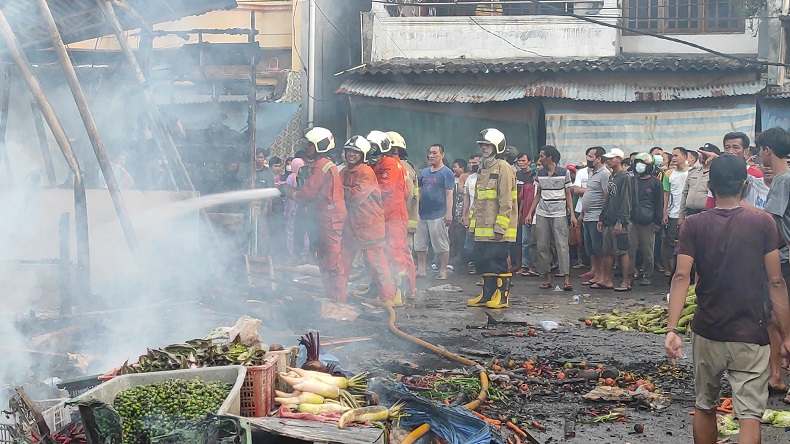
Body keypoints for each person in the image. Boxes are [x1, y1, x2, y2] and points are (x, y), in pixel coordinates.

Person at [665, 154, 790, 444]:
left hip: (707, 330)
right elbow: (775, 280)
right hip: (750, 332)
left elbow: (681, 277)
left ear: (710, 185)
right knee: (749, 415)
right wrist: (786, 335)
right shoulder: (762, 223)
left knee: (705, 405)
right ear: (745, 185)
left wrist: (672, 329)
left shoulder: (693, 225)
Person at [278, 127, 347, 303]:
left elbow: (307, 193)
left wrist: (289, 191)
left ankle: (338, 301)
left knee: (332, 260)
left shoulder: (322, 165)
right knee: (323, 257)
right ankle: (331, 297)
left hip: (330, 217)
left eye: (310, 144)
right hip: (326, 216)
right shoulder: (324, 164)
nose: (307, 147)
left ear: (319, 146)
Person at [339, 136, 398, 306]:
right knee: (343, 261)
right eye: (349, 151)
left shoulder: (365, 171)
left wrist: (338, 189)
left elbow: (355, 196)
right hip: (352, 225)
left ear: (363, 155)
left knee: (376, 263)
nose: (351, 155)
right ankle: (338, 296)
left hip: (369, 225)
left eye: (355, 152)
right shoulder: (344, 171)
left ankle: (387, 298)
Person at [466, 129, 518, 309]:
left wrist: (501, 227)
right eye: (482, 145)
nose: (484, 148)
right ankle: (486, 294)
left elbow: (506, 200)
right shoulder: (483, 167)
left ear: (497, 147)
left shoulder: (503, 167)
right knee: (482, 261)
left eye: (487, 145)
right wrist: (473, 225)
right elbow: (479, 200)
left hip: (497, 228)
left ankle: (502, 297)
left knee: (498, 261)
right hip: (482, 227)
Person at [756, 127, 790, 402]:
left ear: (767, 150)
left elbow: (771, 222)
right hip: (782, 258)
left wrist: (741, 209)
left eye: (760, 150)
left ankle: (777, 374)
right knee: (773, 318)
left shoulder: (782, 180)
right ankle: (775, 376)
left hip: (784, 259)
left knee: (780, 318)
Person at [366, 130, 416, 301]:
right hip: (382, 214)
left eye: (373, 147)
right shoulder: (377, 165)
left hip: (394, 215)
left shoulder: (392, 165)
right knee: (380, 253)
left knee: (396, 252)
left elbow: (386, 189)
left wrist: (364, 190)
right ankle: (382, 290)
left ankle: (400, 292)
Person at [526, 145, 576, 291]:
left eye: (542, 156)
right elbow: (538, 194)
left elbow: (568, 194)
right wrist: (531, 212)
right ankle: (547, 277)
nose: (540, 158)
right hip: (542, 212)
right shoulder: (540, 173)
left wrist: (571, 214)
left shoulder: (564, 172)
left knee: (562, 245)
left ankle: (566, 277)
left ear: (550, 158)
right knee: (542, 245)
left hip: (559, 213)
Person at [415, 144, 455, 280]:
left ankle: (443, 270)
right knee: (420, 243)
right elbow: (419, 191)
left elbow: (449, 194)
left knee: (441, 244)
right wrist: (415, 209)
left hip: (438, 213)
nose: (431, 156)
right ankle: (421, 269)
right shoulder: (424, 172)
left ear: (442, 155)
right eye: (430, 153)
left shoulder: (447, 173)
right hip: (422, 213)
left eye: (434, 153)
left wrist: (449, 213)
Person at [597, 148, 632, 292]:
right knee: (607, 251)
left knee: (622, 251)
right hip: (608, 219)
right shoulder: (612, 177)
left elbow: (626, 200)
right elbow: (609, 198)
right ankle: (607, 280)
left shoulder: (625, 177)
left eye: (611, 158)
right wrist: (602, 217)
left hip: (619, 220)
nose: (608, 161)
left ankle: (626, 281)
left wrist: (620, 220)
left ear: (619, 159)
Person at [627, 153, 663, 286]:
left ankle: (648, 274)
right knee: (630, 250)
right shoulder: (632, 181)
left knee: (648, 251)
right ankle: (631, 273)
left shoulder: (655, 182)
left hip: (648, 222)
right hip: (632, 220)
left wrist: (657, 222)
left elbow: (659, 203)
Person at [578, 147, 610, 288]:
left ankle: (603, 276)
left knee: (599, 249)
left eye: (591, 156)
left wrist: (602, 217)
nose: (588, 159)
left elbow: (606, 196)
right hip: (588, 216)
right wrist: (582, 213)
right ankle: (596, 275)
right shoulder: (591, 173)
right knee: (591, 249)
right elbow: (588, 193)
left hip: (597, 216)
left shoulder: (605, 174)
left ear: (598, 158)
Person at [387, 131, 419, 255]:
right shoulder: (403, 166)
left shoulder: (401, 167)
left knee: (399, 255)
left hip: (399, 220)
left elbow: (407, 195)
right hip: (400, 219)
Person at [661, 147, 689, 276]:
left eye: (676, 155)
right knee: (672, 243)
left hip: (687, 213)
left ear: (685, 156)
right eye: (672, 156)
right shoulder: (668, 174)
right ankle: (673, 271)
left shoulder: (691, 173)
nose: (674, 158)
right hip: (673, 213)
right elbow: (666, 194)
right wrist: (665, 212)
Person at [679, 144, 717, 228]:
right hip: (690, 214)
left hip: (707, 215)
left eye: (704, 153)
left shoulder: (716, 173)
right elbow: (685, 193)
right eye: (701, 154)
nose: (701, 156)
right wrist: (681, 216)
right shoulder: (693, 171)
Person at [515, 153, 536, 276]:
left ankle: (535, 266)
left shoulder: (534, 178)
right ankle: (523, 265)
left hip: (535, 213)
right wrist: (520, 212)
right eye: (519, 161)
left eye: (523, 160)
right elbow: (522, 198)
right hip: (521, 212)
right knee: (522, 241)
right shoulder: (516, 175)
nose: (521, 163)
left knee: (536, 241)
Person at [285, 157, 309, 261]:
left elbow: (288, 190)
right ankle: (305, 252)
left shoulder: (291, 177)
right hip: (304, 206)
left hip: (292, 205)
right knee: (304, 232)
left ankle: (292, 252)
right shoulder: (306, 175)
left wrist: (293, 207)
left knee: (291, 230)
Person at [462, 154, 482, 274]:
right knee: (469, 243)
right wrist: (464, 215)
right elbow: (467, 198)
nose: (473, 165)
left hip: (483, 215)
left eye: (476, 163)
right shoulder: (470, 178)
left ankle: (481, 266)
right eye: (471, 163)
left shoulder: (487, 177)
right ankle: (472, 264)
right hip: (471, 214)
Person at [450, 158, 469, 268]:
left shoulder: (467, 178)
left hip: (464, 212)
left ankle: (463, 260)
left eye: (456, 166)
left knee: (463, 237)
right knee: (455, 236)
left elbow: (464, 192)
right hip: (456, 211)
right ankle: (456, 257)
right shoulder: (453, 179)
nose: (454, 169)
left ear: (462, 168)